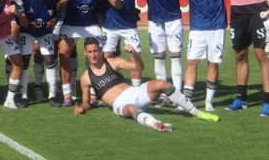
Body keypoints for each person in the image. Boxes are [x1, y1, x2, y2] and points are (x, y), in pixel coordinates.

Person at [73, 38, 219, 131]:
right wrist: (81, 107)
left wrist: (135, 54)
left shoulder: (113, 62)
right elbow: (86, 103)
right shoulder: (86, 78)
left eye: (96, 51)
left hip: (134, 92)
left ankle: (196, 112)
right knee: (132, 108)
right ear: (85, 53)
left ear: (100, 51)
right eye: (90, 52)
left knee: (162, 84)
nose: (94, 55)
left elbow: (139, 68)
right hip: (119, 104)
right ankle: (157, 124)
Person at [58, 0, 112, 106]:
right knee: (63, 54)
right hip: (71, 23)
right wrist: (62, 1)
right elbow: (59, 4)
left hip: (91, 24)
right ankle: (67, 94)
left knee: (97, 56)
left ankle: (95, 92)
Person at [181, 0, 226, 112]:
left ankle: (209, 101)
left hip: (217, 26)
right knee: (192, 62)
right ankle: (187, 101)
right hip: (197, 27)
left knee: (213, 64)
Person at [137, 0, 185, 97]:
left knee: (176, 58)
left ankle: (177, 94)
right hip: (154, 21)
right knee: (159, 58)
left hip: (174, 20)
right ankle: (164, 94)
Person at [95, 0, 142, 85]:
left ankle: (136, 89)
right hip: (110, 25)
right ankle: (116, 85)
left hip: (129, 25)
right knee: (107, 56)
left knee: (135, 56)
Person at [15, 0, 63, 107]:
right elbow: (21, 20)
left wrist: (54, 19)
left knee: (49, 59)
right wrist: (29, 23)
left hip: (45, 32)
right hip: (27, 31)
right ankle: (23, 96)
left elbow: (59, 10)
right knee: (24, 60)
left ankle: (52, 95)